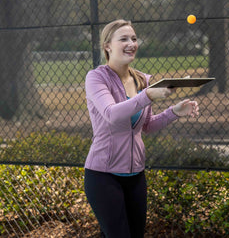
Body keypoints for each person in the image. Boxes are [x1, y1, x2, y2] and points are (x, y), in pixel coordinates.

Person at [84, 19, 199, 238]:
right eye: (124, 39)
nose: (131, 43)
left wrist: (174, 111)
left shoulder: (143, 80)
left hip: (136, 175)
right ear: (107, 46)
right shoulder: (96, 77)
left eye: (134, 39)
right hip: (103, 176)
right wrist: (146, 96)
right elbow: (111, 114)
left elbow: (145, 126)